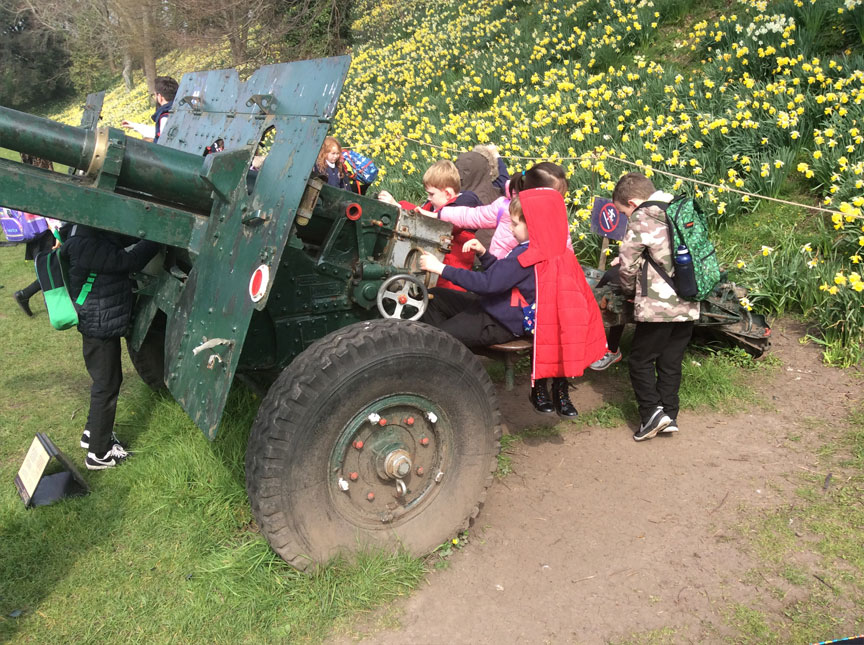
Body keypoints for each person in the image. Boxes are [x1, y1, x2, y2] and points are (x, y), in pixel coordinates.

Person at [419, 189, 606, 417]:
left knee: (434, 338)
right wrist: (485, 254)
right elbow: (503, 277)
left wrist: (440, 268)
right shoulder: (552, 251)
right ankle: (455, 356)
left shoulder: (525, 257)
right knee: (436, 297)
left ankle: (445, 377)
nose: (510, 228)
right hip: (498, 306)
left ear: (534, 225)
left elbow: (488, 284)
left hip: (500, 322)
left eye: (515, 224)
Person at [60, 225, 161, 469]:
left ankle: (92, 435)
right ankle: (99, 454)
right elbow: (129, 261)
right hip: (99, 323)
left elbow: (119, 237)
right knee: (106, 385)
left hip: (100, 318)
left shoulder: (82, 230)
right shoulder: (85, 244)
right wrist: (158, 237)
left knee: (105, 382)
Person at [612, 172, 700, 441]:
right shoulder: (682, 208)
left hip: (659, 305)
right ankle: (669, 415)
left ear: (634, 201)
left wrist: (628, 291)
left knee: (640, 360)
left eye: (624, 212)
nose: (627, 217)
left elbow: (627, 266)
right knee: (671, 361)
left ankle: (651, 413)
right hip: (689, 298)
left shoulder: (644, 215)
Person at [427, 161, 570, 260]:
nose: (558, 203)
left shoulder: (556, 217)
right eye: (555, 197)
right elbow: (472, 216)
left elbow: (566, 249)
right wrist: (437, 214)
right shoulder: (505, 207)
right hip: (498, 271)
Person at [379, 159, 482, 290]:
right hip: (435, 276)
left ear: (448, 194)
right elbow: (419, 214)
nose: (428, 197)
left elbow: (439, 225)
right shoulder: (432, 207)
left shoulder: (461, 211)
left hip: (451, 281)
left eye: (432, 194)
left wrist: (399, 206)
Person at [12, 155, 62, 317]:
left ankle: (28, 297)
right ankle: (25, 295)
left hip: (34, 230)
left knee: (47, 266)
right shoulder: (43, 175)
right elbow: (48, 207)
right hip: (46, 230)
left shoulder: (23, 174)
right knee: (52, 267)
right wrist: (56, 232)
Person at [121, 76, 179, 143]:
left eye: (154, 95)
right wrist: (135, 126)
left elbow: (164, 141)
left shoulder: (165, 117)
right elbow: (159, 132)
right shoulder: (181, 110)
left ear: (159, 97)